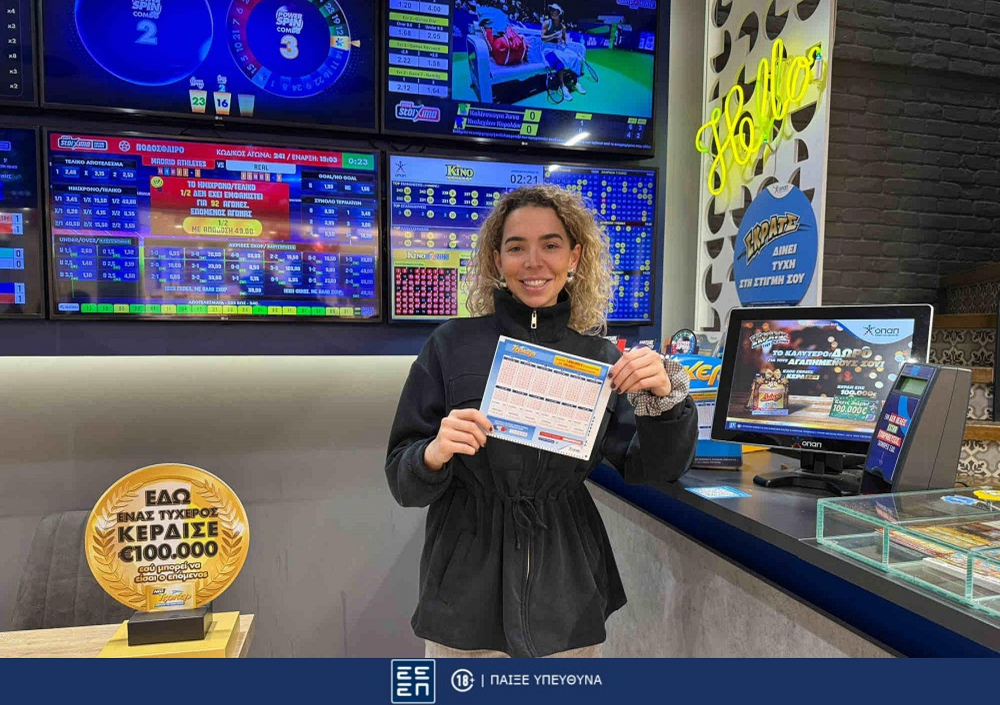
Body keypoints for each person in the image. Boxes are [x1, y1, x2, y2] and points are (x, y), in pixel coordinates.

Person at [385, 185, 698, 658]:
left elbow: (652, 468)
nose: (534, 262)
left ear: (574, 256)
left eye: (551, 245)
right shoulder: (450, 346)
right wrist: (432, 454)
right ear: (497, 260)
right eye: (517, 247)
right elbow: (402, 481)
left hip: (565, 588)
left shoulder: (600, 359)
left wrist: (666, 400)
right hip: (465, 590)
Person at [541, 3, 586, 101]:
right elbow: (542, 38)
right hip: (547, 50)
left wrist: (562, 41)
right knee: (559, 62)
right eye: (551, 10)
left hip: (558, 48)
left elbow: (564, 40)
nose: (553, 12)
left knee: (575, 57)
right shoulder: (547, 23)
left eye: (555, 10)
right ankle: (562, 86)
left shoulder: (563, 27)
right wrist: (554, 35)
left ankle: (575, 82)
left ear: (559, 13)